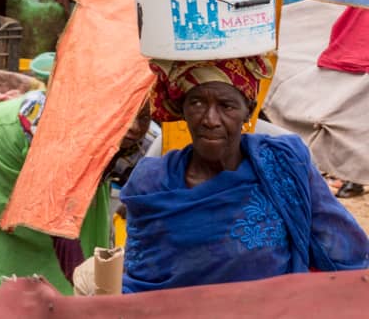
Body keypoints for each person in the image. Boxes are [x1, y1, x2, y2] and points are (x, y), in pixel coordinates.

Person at [121, 57, 369, 292]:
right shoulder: (151, 183)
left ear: (248, 111)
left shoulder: (283, 164)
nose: (210, 119)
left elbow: (342, 249)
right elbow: (140, 280)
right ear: (182, 109)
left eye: (226, 106)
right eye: (197, 103)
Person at [0, 89, 150, 297]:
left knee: (87, 239)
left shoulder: (127, 125)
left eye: (143, 117)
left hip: (72, 170)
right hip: (7, 156)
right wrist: (89, 290)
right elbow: (61, 224)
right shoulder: (59, 131)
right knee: (15, 276)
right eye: (126, 114)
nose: (135, 127)